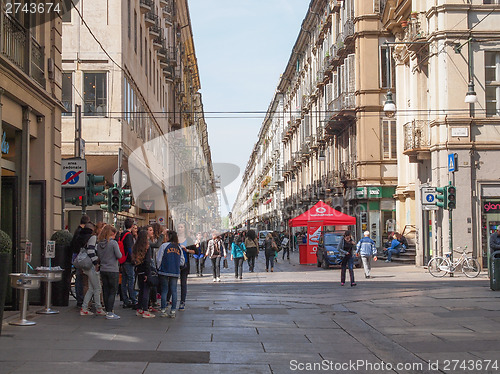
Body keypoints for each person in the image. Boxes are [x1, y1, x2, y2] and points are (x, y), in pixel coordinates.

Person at [79, 222, 105, 316]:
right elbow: (91, 252)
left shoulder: (94, 238)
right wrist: (96, 263)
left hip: (90, 266)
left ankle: (84, 308)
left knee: (91, 288)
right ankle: (98, 308)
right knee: (97, 288)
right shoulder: (94, 238)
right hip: (92, 266)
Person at [96, 225, 122, 320]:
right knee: (112, 291)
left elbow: (98, 256)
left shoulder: (99, 244)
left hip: (103, 269)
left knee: (106, 290)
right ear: (112, 233)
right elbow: (119, 255)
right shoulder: (113, 243)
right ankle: (110, 312)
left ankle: (107, 310)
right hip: (113, 269)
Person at [157, 230, 183, 318]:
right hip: (175, 271)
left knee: (164, 290)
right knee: (174, 290)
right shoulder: (178, 247)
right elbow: (182, 261)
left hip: (164, 270)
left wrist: (159, 267)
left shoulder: (164, 246)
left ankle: (163, 309)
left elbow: (159, 258)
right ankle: (173, 311)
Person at [133, 229, 155, 318]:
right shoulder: (147, 247)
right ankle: (145, 310)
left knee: (141, 290)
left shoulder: (135, 246)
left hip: (138, 270)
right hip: (145, 270)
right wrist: (148, 273)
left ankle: (140, 309)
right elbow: (147, 261)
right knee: (146, 290)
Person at [69, 214, 91, 308]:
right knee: (80, 278)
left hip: (76, 256)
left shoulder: (77, 231)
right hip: (80, 257)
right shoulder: (81, 232)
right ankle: (80, 298)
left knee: (79, 277)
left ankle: (80, 298)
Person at [177, 222, 195, 311]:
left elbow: (195, 251)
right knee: (171, 283)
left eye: (182, 227)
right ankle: (169, 300)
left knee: (183, 283)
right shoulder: (174, 238)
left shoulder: (188, 239)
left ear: (185, 229)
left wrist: (186, 249)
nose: (180, 228)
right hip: (174, 264)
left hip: (185, 264)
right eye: (179, 227)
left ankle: (182, 301)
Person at [120, 218, 137, 309]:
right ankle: (133, 299)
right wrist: (133, 259)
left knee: (124, 281)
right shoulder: (129, 235)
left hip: (123, 260)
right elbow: (130, 248)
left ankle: (125, 300)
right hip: (128, 260)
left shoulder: (122, 234)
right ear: (131, 225)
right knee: (131, 280)